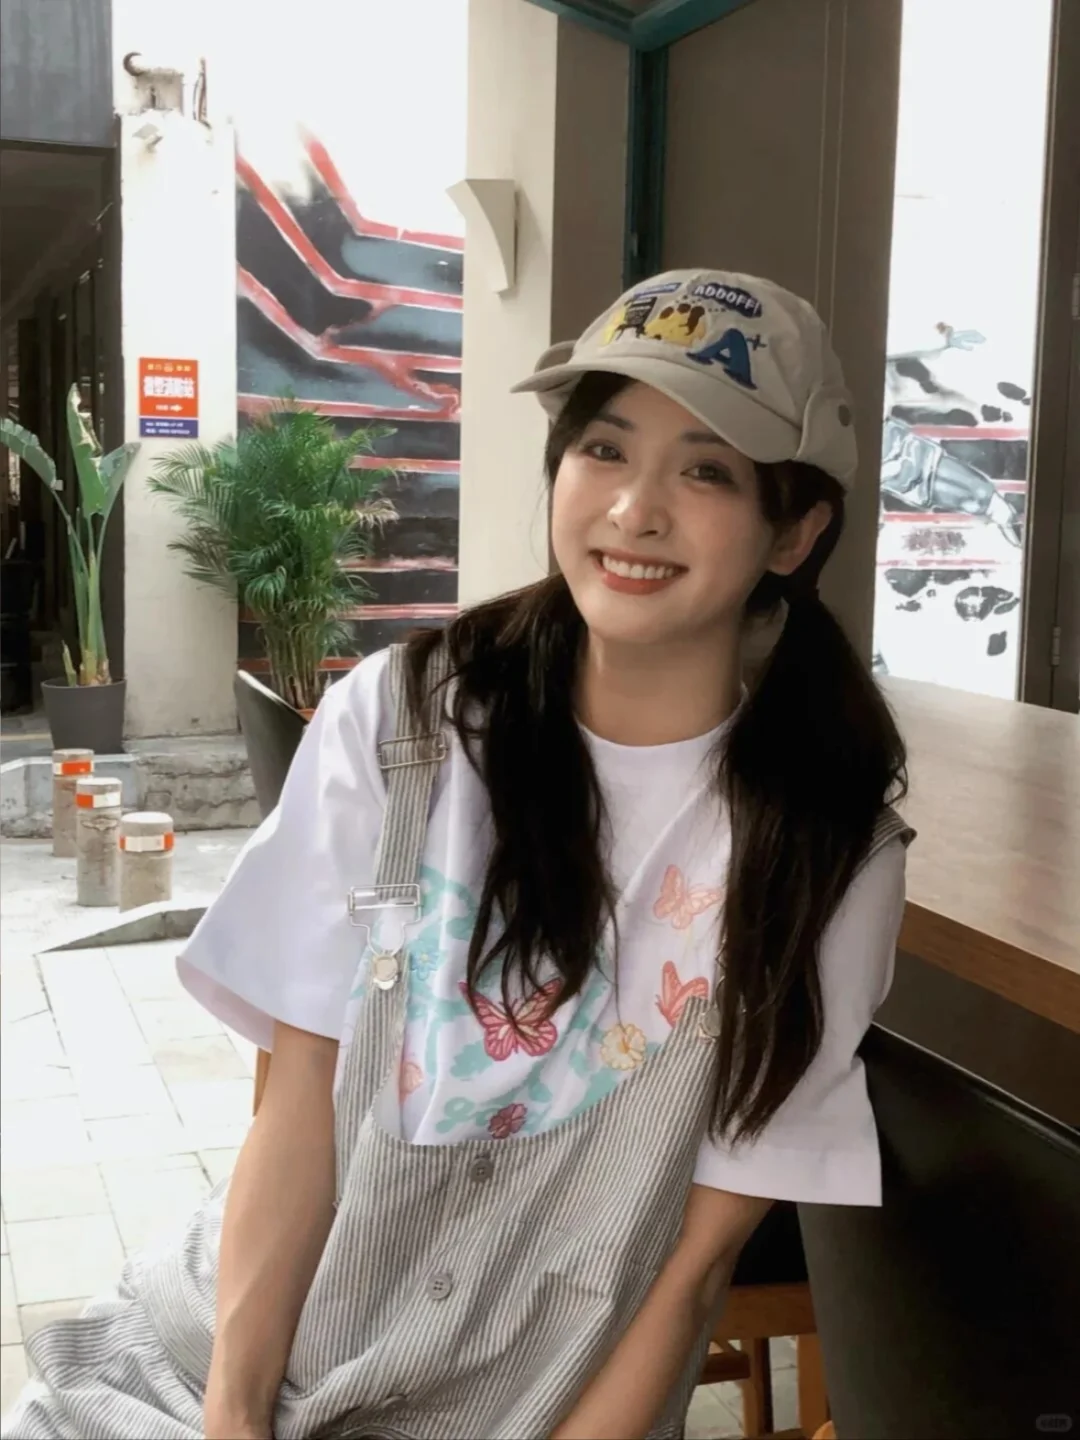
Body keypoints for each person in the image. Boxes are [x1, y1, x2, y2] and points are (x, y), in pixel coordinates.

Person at [3, 269, 912, 1440]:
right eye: (603, 449)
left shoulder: (826, 852)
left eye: (707, 472)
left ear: (794, 531)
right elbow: (296, 1106)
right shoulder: (406, 722)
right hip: (201, 1374)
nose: (634, 510)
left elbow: (692, 1270)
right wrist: (235, 1416)